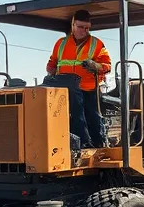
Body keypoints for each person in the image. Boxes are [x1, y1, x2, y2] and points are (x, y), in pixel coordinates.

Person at [46, 9, 112, 147]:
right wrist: (51, 71)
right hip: (65, 89)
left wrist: (96, 66)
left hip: (88, 89)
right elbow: (52, 62)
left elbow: (107, 65)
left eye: (87, 28)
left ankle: (95, 145)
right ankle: (76, 143)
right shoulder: (61, 43)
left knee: (91, 118)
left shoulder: (97, 44)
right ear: (73, 25)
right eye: (81, 27)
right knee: (68, 118)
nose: (84, 31)